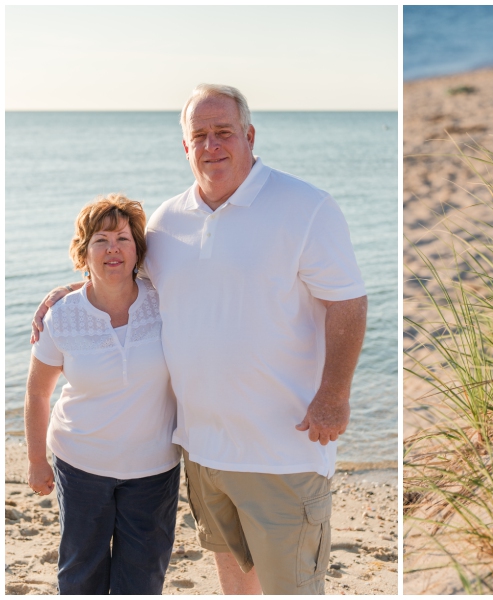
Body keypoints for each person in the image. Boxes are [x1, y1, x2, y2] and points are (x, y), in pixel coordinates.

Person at [33, 84, 368, 595]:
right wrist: (72, 292)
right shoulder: (168, 224)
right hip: (203, 454)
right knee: (236, 587)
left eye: (223, 133)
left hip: (283, 452)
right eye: (199, 136)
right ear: (185, 148)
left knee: (294, 589)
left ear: (249, 135)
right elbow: (120, 274)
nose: (212, 145)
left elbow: (347, 301)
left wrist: (334, 395)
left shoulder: (306, 207)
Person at [26, 195, 181, 594]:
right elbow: (38, 393)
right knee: (81, 575)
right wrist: (36, 462)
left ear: (138, 250)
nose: (113, 247)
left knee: (142, 580)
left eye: (123, 238)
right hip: (81, 466)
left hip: (154, 469)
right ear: (83, 251)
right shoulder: (61, 315)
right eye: (101, 239)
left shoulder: (166, 301)